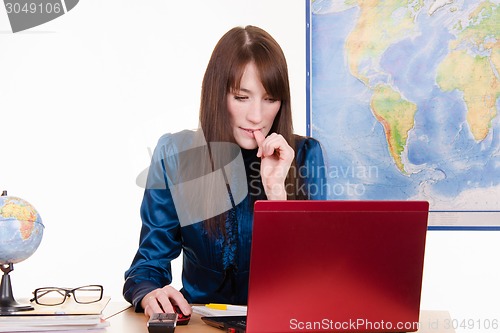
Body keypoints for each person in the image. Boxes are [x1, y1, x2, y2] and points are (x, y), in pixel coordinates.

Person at [123, 25, 327, 318]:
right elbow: (148, 264)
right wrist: (149, 293)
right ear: (217, 96)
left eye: (269, 99)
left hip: (282, 322)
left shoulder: (306, 155)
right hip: (200, 324)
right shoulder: (175, 154)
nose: (257, 116)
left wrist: (277, 196)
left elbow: (316, 278)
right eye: (242, 97)